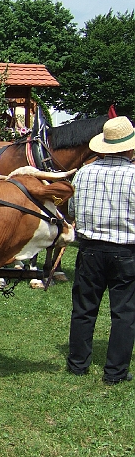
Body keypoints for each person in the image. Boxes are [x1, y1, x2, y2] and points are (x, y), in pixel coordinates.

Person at [66, 116, 135, 385]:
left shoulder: (83, 173)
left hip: (90, 249)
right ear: (128, 147)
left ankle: (77, 364)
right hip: (127, 251)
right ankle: (115, 372)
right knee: (124, 313)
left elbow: (72, 211)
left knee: (84, 308)